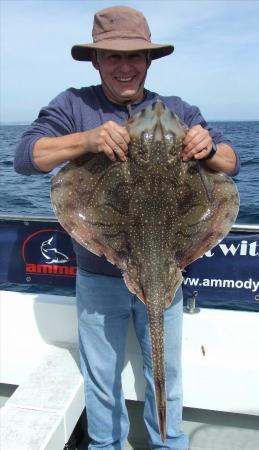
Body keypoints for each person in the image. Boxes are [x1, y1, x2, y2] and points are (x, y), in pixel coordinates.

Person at [14, 6, 239, 450]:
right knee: (102, 378)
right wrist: (88, 140)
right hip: (99, 275)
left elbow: (230, 163)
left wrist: (208, 147)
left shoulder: (176, 109)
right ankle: (105, 445)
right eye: (113, 57)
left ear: (149, 61)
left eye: (134, 56)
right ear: (96, 61)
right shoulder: (73, 105)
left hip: (167, 267)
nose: (124, 66)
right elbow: (26, 157)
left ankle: (168, 443)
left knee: (167, 374)